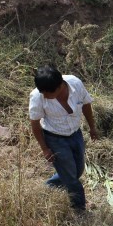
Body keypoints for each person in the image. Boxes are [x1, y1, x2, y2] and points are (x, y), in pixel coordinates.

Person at [29, 65, 98, 212]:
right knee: (72, 179)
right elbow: (35, 125)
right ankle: (79, 208)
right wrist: (45, 149)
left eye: (48, 93)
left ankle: (49, 186)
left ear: (60, 86)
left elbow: (86, 104)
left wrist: (92, 127)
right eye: (43, 92)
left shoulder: (75, 84)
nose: (44, 95)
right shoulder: (37, 96)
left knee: (77, 171)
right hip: (55, 139)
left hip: (75, 134)